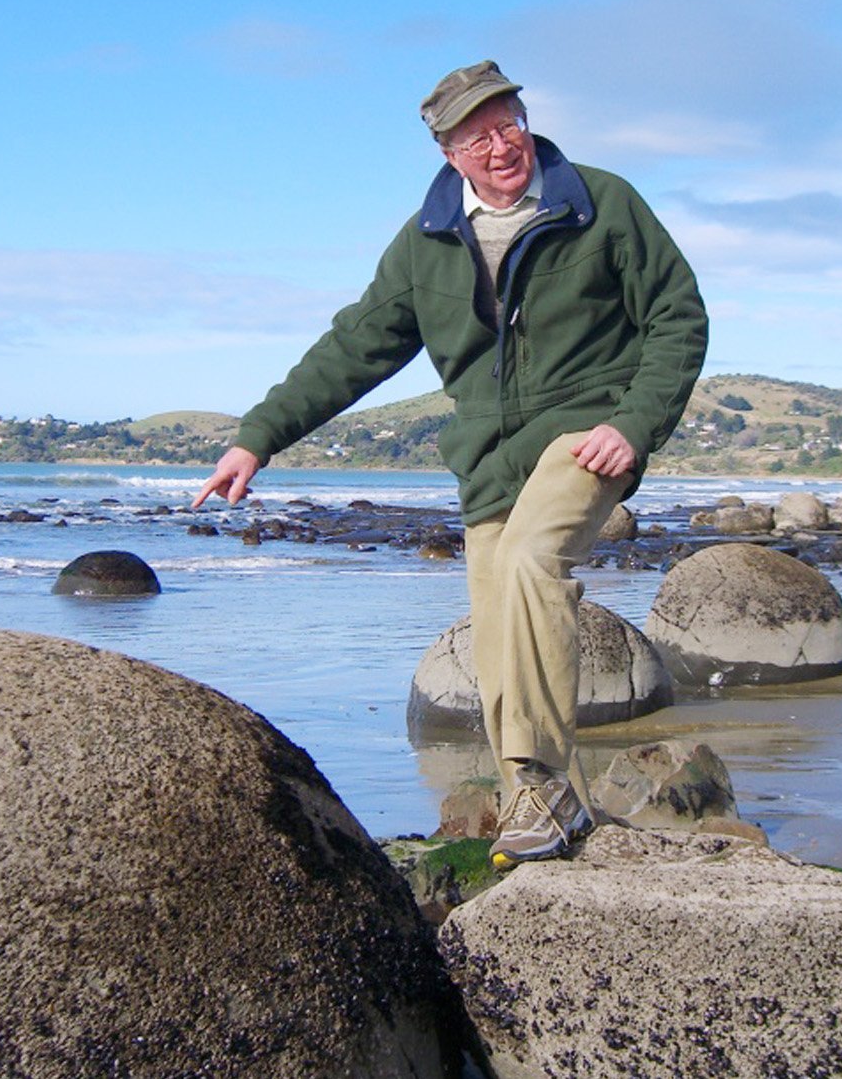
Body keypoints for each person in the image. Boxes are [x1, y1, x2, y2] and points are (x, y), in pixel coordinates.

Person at [193, 61, 707, 868]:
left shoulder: (601, 201)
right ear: (446, 152)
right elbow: (354, 349)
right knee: (500, 621)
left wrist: (635, 423)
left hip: (585, 432)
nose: (500, 146)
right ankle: (542, 804)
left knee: (537, 562)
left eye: (508, 124)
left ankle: (537, 781)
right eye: (477, 136)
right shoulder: (425, 243)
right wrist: (258, 436)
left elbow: (678, 316)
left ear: (526, 117)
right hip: (487, 456)